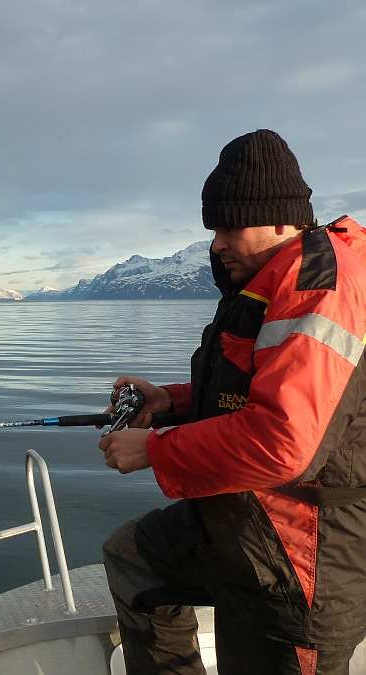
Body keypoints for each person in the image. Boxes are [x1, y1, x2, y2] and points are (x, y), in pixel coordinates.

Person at [98, 129, 366, 675]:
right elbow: (259, 384)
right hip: (245, 522)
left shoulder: (317, 289)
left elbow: (285, 442)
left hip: (302, 554)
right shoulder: (279, 274)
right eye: (213, 227)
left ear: (281, 220)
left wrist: (156, 450)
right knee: (135, 556)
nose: (216, 242)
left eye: (229, 226)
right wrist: (172, 401)